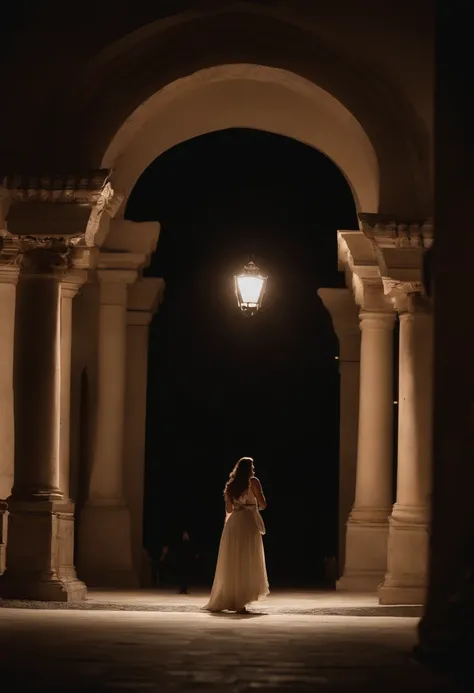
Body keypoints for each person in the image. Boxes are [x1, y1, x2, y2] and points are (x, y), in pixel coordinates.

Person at [204, 456, 269, 613]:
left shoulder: (231, 485)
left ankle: (233, 598)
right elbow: (263, 504)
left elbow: (229, 510)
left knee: (233, 560)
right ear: (249, 469)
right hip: (248, 523)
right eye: (252, 467)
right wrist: (253, 507)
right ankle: (241, 601)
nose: (253, 469)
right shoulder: (254, 482)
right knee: (247, 559)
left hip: (234, 524)